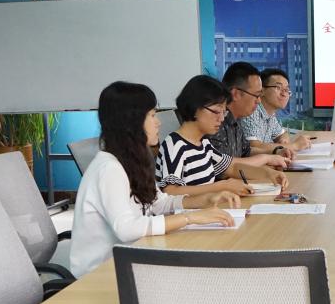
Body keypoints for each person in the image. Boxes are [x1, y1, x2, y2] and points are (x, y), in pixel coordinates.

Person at [70, 81, 243, 277]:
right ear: (132, 122)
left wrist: (207, 200)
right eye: (152, 115)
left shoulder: (132, 161)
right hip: (100, 275)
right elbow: (126, 229)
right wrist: (189, 218)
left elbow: (159, 203)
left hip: (132, 259)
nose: (158, 122)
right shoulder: (109, 169)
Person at [157, 75, 288, 197]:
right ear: (195, 108)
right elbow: (171, 191)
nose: (221, 119)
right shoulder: (174, 145)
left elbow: (232, 168)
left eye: (223, 112)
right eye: (216, 111)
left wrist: (269, 173)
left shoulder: (203, 144)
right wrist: (221, 186)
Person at [210, 61, 290, 167]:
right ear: (236, 94)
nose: (259, 101)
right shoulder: (216, 123)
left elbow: (247, 151)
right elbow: (224, 166)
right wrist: (266, 158)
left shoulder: (235, 120)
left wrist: (276, 152)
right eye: (256, 95)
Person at [241, 68, 312, 156]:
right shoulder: (251, 111)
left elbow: (283, 134)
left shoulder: (270, 114)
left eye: (287, 90)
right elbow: (254, 146)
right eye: (278, 87)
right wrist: (295, 146)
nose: (284, 94)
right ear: (262, 91)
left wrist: (283, 141)